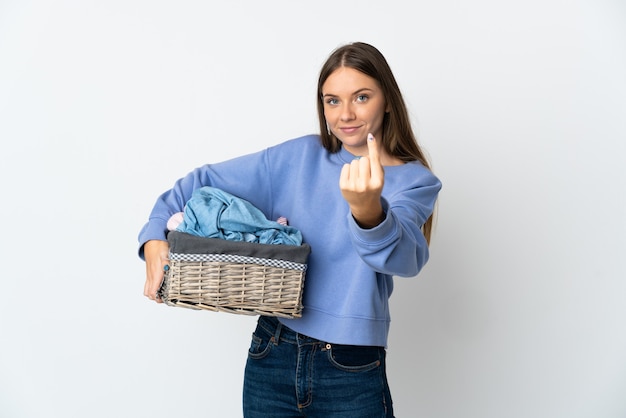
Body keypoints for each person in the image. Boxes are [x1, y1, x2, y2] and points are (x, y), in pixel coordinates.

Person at [138, 41, 442, 417]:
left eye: (361, 97)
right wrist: (154, 238)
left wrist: (368, 211)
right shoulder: (298, 158)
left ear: (388, 100)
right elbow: (197, 184)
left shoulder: (415, 181)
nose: (345, 114)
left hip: (351, 366)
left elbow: (406, 259)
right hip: (272, 351)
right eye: (332, 100)